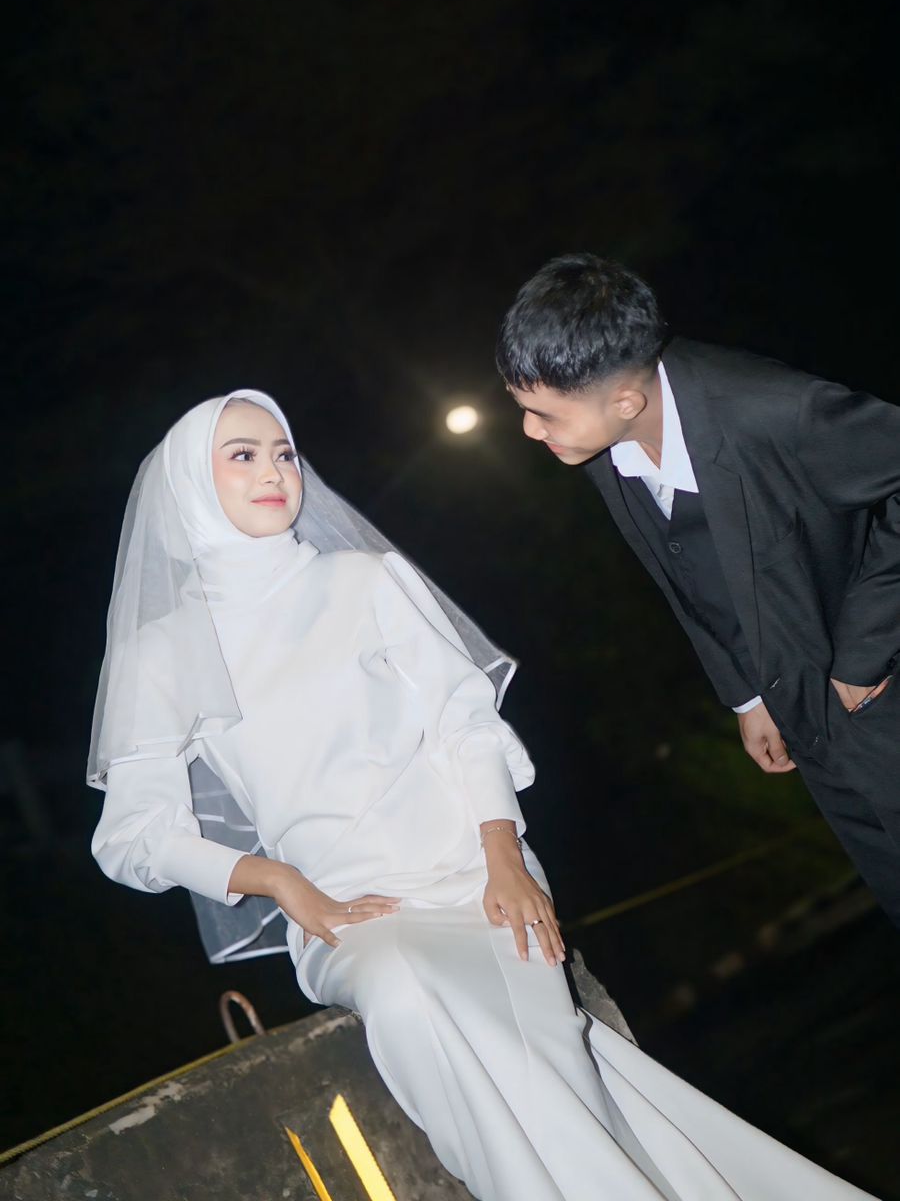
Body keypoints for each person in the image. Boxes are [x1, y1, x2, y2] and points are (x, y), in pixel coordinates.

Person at [89, 389, 874, 1199]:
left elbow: (465, 722)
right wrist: (277, 881)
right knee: (401, 992)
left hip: (476, 875)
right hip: (345, 912)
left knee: (563, 1089)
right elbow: (132, 836)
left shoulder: (366, 580)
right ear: (190, 485)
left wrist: (506, 857)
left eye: (284, 452)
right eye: (243, 456)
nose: (274, 472)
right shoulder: (162, 654)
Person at [497, 253, 900, 929]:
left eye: (544, 415)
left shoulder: (776, 410)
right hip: (809, 726)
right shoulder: (601, 444)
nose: (530, 430)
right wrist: (747, 692)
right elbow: (682, 571)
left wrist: (865, 651)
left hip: (881, 696)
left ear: (625, 402)